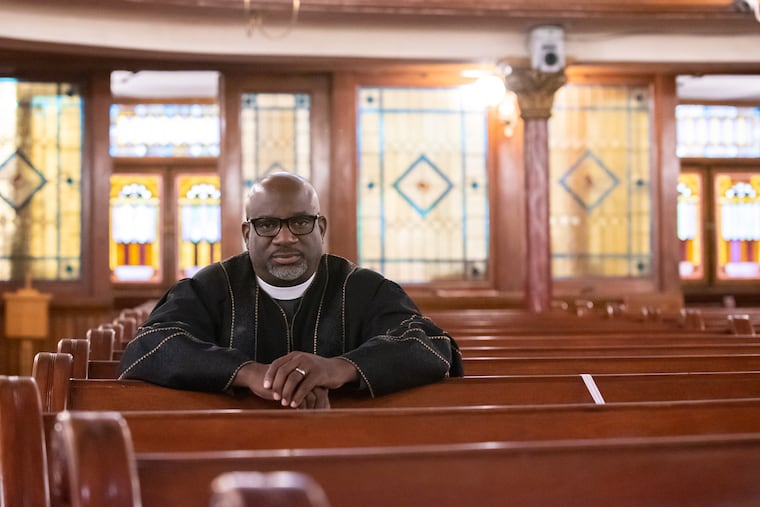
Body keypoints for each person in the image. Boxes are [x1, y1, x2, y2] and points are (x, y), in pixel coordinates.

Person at [118, 172, 463, 409]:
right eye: (267, 224)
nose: (285, 237)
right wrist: (249, 373)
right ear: (246, 233)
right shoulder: (208, 288)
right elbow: (151, 344)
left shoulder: (364, 289)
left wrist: (338, 369)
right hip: (231, 451)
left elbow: (429, 344)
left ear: (321, 227)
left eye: (300, 222)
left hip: (345, 449)